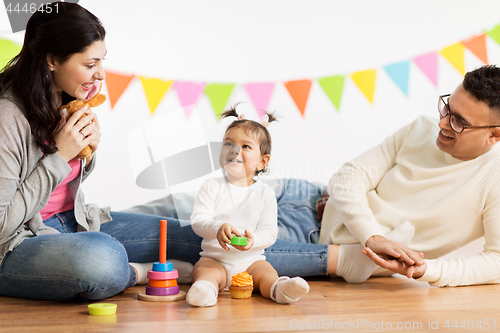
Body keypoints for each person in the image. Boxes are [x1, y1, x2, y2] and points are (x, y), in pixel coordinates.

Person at [0, 2, 337, 301]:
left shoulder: (64, 99)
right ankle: (138, 272)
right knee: (102, 259)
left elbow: (64, 185)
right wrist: (60, 156)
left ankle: (339, 259)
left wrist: (86, 154)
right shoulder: (8, 117)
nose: (100, 74)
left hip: (74, 221)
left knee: (199, 236)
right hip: (17, 244)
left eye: (102, 61)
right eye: (90, 64)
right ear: (51, 60)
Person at [319, 65, 500, 287]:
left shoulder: (494, 178)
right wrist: (373, 238)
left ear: (495, 134)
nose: (442, 123)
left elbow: (497, 260)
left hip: (323, 249)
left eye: (459, 121)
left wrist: (425, 270)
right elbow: (346, 178)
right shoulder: (421, 128)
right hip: (311, 208)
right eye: (446, 108)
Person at [185, 107, 309, 307]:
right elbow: (198, 221)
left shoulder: (265, 193)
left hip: (251, 261)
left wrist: (253, 241)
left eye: (246, 146)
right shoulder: (211, 186)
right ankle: (205, 289)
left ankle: (280, 288)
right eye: (228, 143)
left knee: (266, 272)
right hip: (216, 260)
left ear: (262, 161)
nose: (235, 150)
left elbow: (269, 232)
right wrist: (217, 227)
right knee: (203, 270)